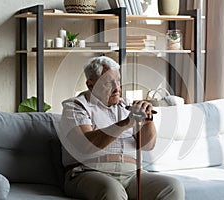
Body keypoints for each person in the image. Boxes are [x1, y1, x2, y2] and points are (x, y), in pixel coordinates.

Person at [59, 56, 184, 200]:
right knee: (112, 190)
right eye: (108, 82)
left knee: (172, 187)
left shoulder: (127, 106)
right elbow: (87, 145)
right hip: (89, 172)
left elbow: (148, 145)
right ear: (90, 84)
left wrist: (147, 120)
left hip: (132, 174)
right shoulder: (76, 106)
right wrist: (125, 123)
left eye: (117, 81)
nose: (117, 88)